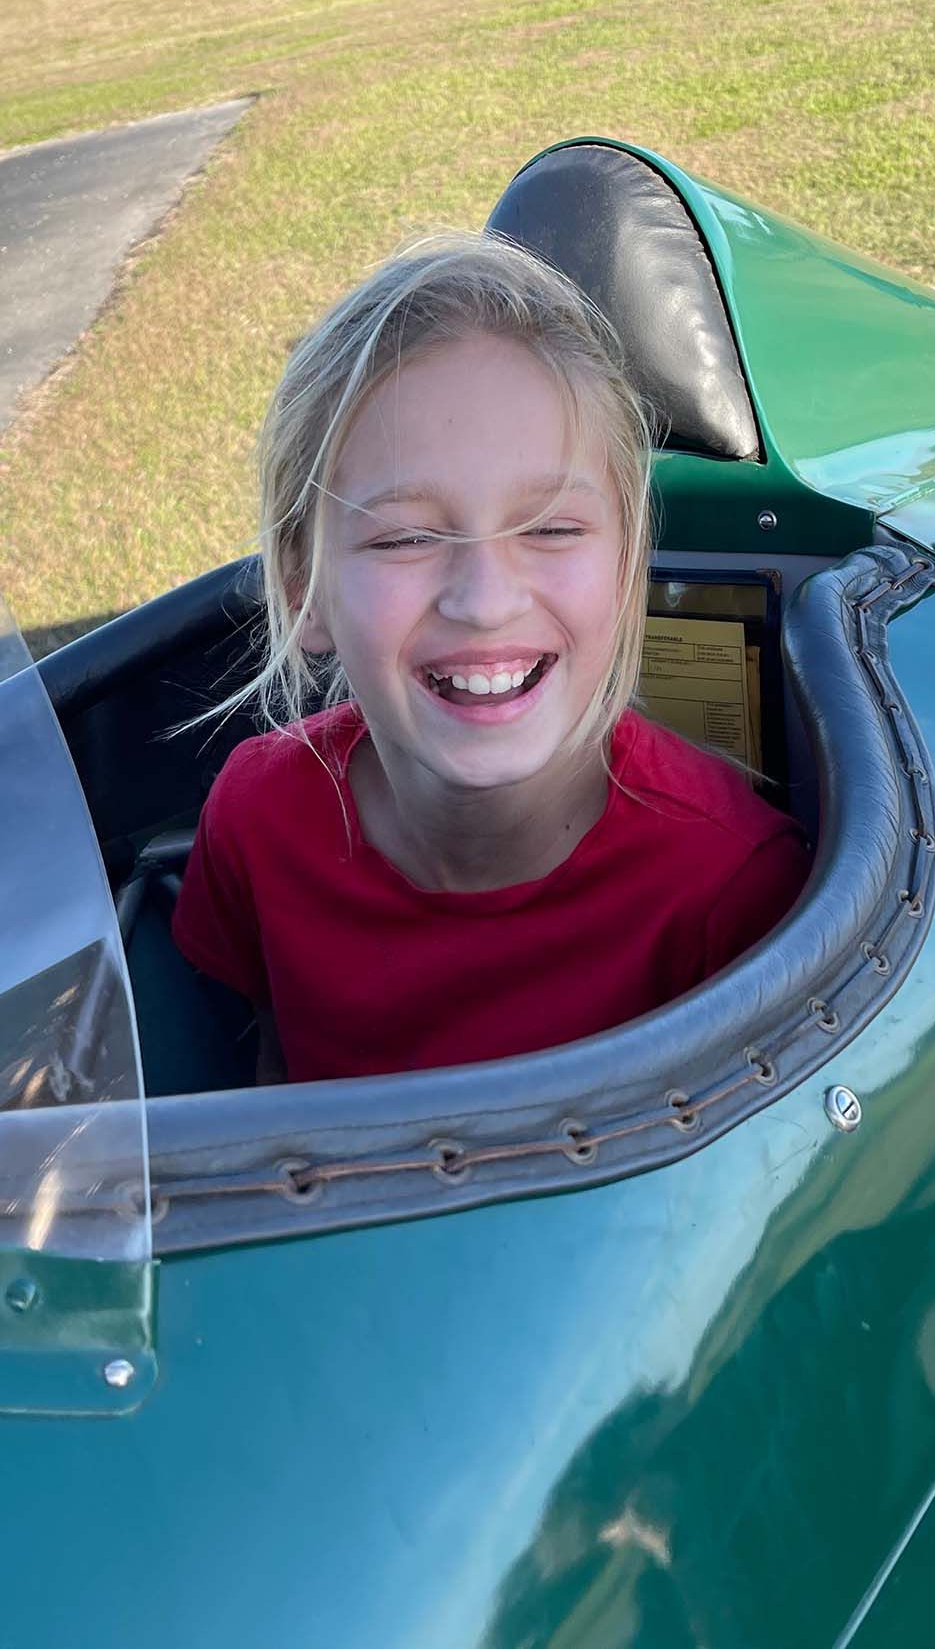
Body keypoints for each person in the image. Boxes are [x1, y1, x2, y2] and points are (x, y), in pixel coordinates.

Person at [172, 232, 810, 1084]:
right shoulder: (255, 819)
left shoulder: (730, 886)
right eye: (404, 537)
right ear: (303, 589)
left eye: (550, 527)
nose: (484, 599)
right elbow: (265, 1072)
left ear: (627, 566)